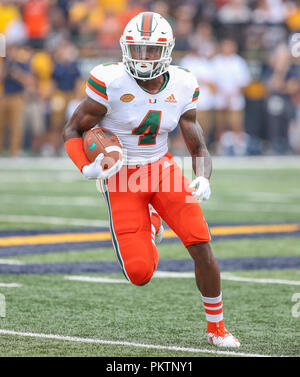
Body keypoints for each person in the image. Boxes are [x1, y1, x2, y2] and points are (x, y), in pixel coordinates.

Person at [63, 12, 240, 348]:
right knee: (140, 274)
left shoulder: (185, 83)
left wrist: (202, 177)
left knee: (200, 244)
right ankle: (151, 222)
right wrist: (85, 167)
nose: (143, 58)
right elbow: (73, 129)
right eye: (137, 49)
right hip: (122, 177)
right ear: (125, 48)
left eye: (150, 50)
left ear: (168, 50)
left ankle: (216, 327)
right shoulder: (109, 80)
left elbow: (197, 144)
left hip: (162, 169)